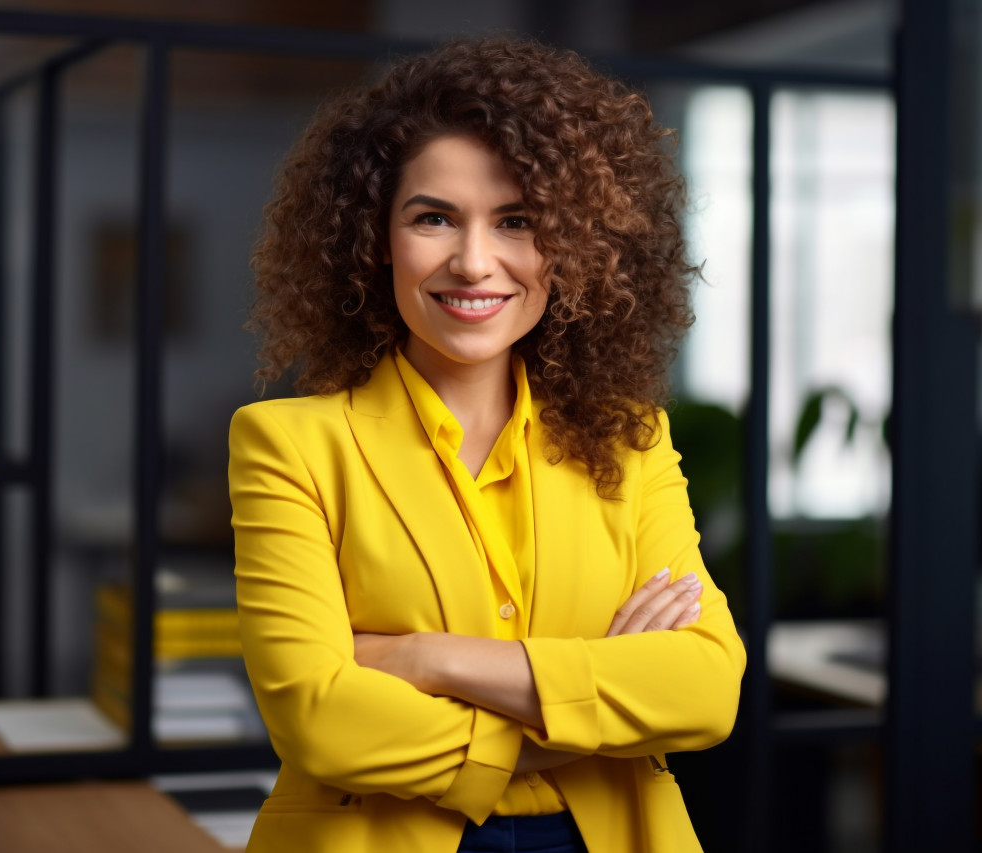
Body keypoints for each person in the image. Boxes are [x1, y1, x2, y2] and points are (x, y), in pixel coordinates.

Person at [229, 37, 746, 853]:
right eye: (433, 217)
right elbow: (320, 724)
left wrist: (427, 660)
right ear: (374, 239)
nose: (474, 263)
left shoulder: (632, 440)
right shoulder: (287, 445)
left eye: (518, 222)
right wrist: (593, 704)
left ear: (573, 247)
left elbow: (708, 688)